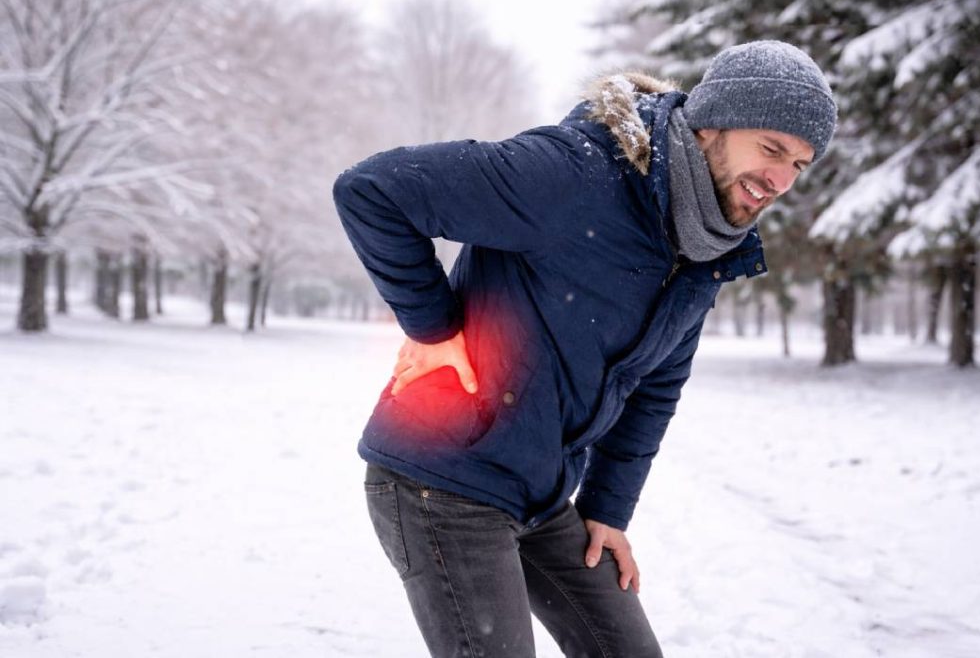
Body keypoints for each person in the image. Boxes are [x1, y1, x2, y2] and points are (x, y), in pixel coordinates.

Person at [333, 40, 837, 657]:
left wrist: (606, 509)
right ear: (712, 125)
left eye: (800, 165)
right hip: (442, 481)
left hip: (540, 495)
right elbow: (373, 190)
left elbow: (653, 388)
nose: (781, 181)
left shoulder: (704, 247)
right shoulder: (575, 173)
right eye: (771, 149)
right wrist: (433, 329)